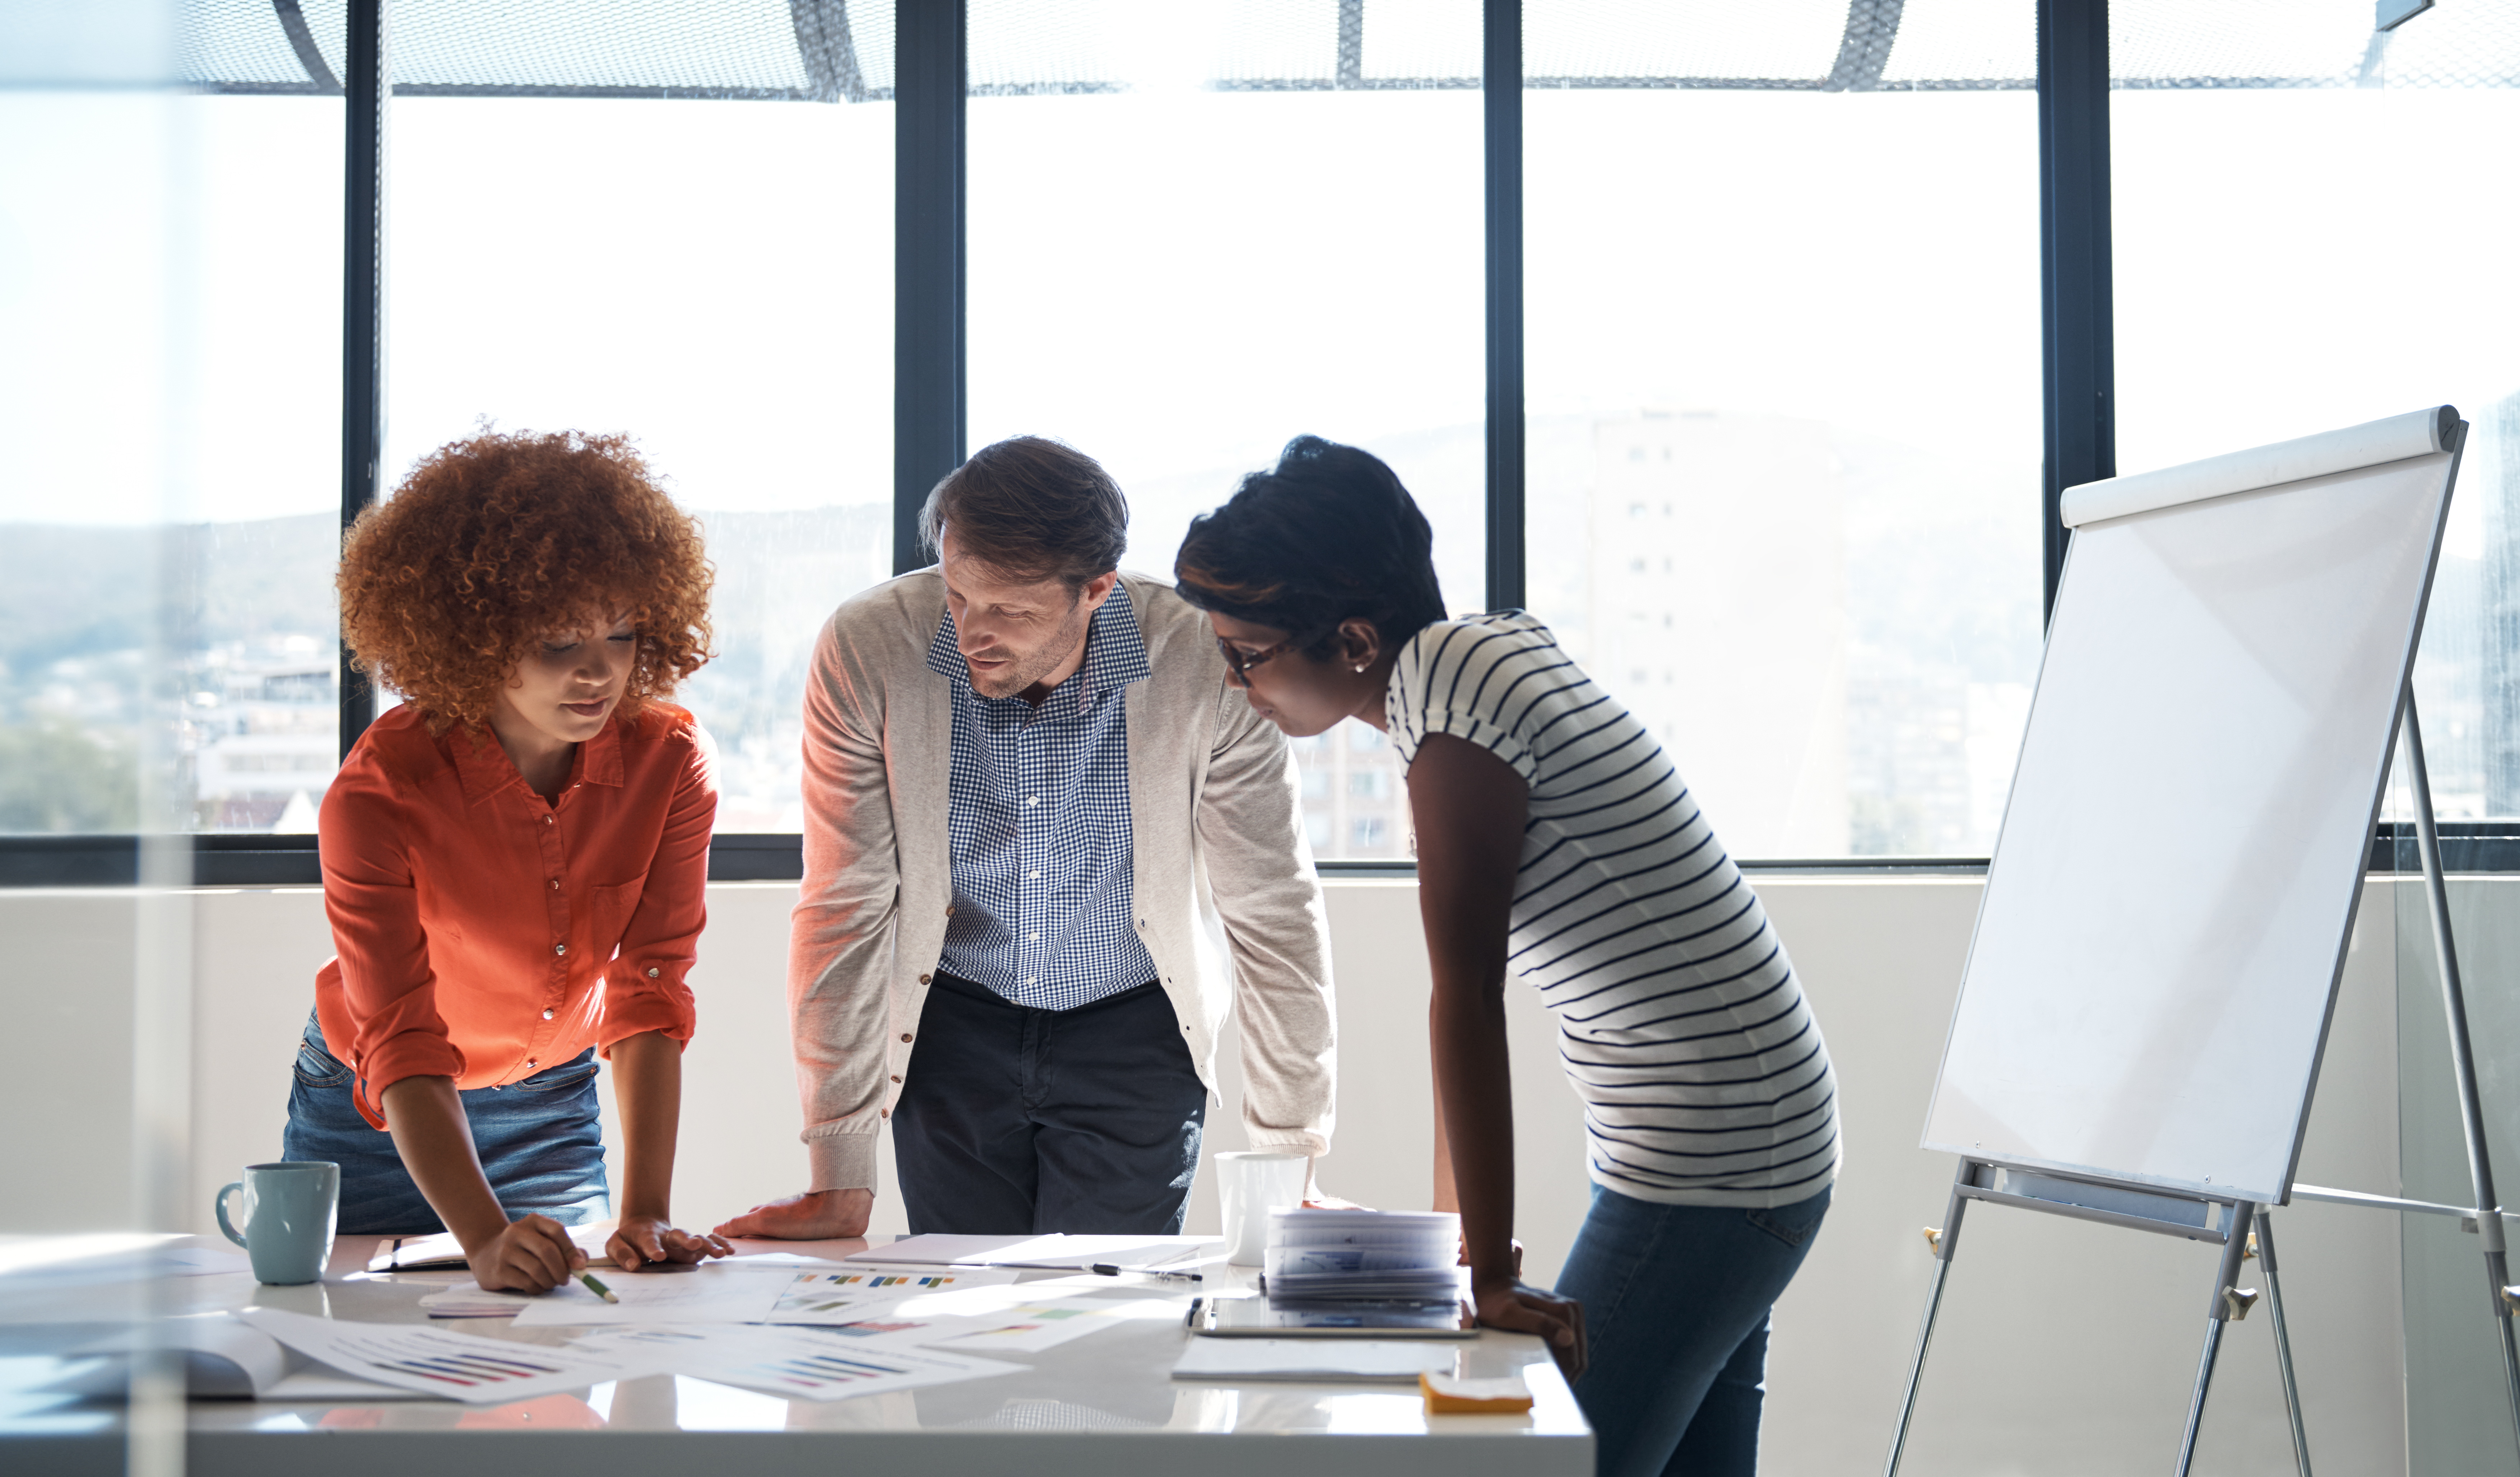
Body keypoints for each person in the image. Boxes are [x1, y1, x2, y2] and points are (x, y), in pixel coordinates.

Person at [1173, 436, 1839, 1477]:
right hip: (1747, 1140)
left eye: (1247, 654)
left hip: (1712, 1162)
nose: (1234, 680)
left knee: (1551, 1460)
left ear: (1351, 639)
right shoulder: (1482, 653)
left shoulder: (1455, 729)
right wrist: (1459, 1251)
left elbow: (1467, 1003)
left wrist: (1483, 1271)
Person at [717, 435, 1336, 1241]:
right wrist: (838, 1167)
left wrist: (1290, 1162)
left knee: (1102, 1332)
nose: (973, 630)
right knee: (961, 1329)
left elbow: (1269, 903)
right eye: (958, 595)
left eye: (1010, 610)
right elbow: (845, 902)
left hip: (1136, 1028)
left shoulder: (1197, 655)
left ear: (1097, 590)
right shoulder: (869, 645)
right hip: (948, 1028)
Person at [287, 429, 733, 1292]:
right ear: (477, 637)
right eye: (557, 643)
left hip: (548, 1108)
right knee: (360, 1387)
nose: (597, 672)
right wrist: (485, 1235)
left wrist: (645, 1212)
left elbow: (649, 986)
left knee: (560, 1372)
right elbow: (403, 1039)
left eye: (621, 633)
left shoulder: (671, 760)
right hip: (375, 1113)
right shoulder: (378, 795)